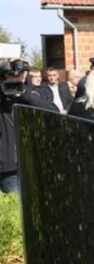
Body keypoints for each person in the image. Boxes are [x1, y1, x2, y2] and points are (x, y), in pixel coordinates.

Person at [0, 59, 58, 193]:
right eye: (9, 74)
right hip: (6, 159)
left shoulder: (27, 94)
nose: (14, 77)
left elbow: (53, 111)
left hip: (12, 165)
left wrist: (22, 93)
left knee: (15, 206)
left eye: (17, 74)